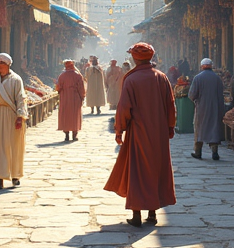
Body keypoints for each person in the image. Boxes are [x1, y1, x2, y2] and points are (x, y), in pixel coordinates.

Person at [104, 42, 177, 228]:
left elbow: (124, 108)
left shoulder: (131, 79)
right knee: (155, 169)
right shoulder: (161, 78)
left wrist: (119, 129)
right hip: (158, 134)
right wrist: (170, 127)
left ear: (135, 58)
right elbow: (171, 105)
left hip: (138, 132)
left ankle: (136, 214)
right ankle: (152, 214)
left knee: (137, 171)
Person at [0, 53, 30, 190]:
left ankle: (15, 175)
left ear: (7, 64)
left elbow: (21, 98)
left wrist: (20, 117)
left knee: (12, 145)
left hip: (11, 116)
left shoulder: (16, 80)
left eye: (1, 63)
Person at [189, 58, 225, 161]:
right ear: (211, 66)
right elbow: (220, 95)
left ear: (202, 66)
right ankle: (214, 152)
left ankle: (198, 152)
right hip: (215, 108)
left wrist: (197, 101)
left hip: (201, 108)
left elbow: (192, 95)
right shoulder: (217, 78)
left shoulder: (197, 78)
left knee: (199, 129)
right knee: (214, 128)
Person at [56, 59, 86, 142]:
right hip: (75, 98)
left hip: (65, 97)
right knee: (75, 115)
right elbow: (81, 88)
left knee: (66, 115)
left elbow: (58, 87)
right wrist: (82, 96)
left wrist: (60, 91)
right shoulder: (78, 75)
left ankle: (66, 135)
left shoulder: (62, 75)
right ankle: (74, 134)